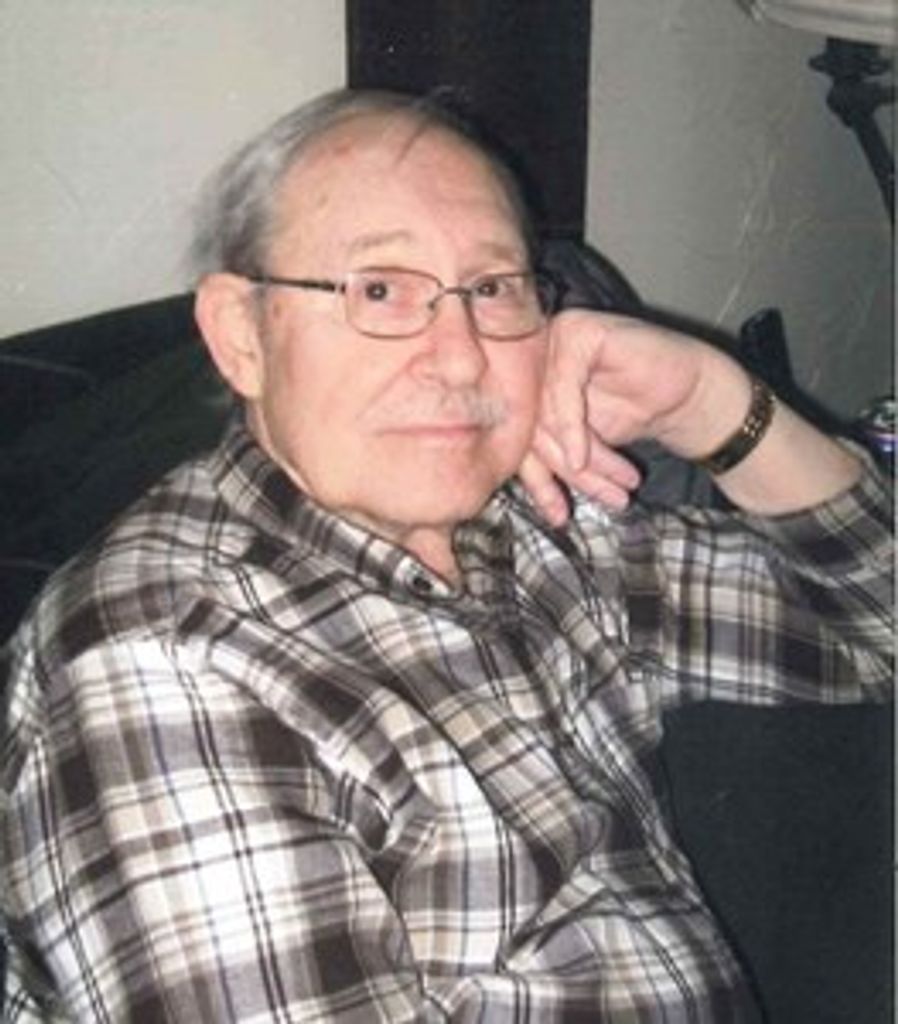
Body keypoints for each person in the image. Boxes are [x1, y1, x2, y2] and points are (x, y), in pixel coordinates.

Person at [1, 88, 891, 1023]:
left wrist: (712, 405)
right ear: (240, 336)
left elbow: (879, 626)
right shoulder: (162, 664)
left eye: (493, 288)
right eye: (380, 290)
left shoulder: (537, 531)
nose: (461, 358)